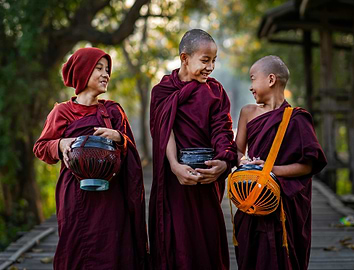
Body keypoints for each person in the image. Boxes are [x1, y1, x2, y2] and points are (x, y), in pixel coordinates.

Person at [33, 47, 148, 269]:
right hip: (75, 197)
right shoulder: (62, 112)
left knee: (113, 250)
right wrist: (60, 144)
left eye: (108, 70)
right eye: (99, 68)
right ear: (83, 71)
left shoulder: (113, 112)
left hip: (111, 197)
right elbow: (40, 148)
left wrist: (119, 137)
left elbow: (130, 151)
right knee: (77, 250)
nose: (106, 74)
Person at [149, 29, 237, 270]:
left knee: (207, 239)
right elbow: (163, 131)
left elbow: (223, 129)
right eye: (205, 60)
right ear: (185, 59)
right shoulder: (163, 91)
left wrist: (223, 162)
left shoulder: (215, 91)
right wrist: (176, 167)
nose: (210, 67)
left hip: (206, 176)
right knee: (177, 239)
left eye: (214, 61)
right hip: (174, 178)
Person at [234, 55, 327, 270]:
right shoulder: (248, 113)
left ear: (271, 79)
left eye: (253, 79)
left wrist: (270, 170)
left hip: (284, 203)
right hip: (253, 195)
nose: (250, 87)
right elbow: (238, 150)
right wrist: (246, 163)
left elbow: (309, 165)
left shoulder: (297, 118)